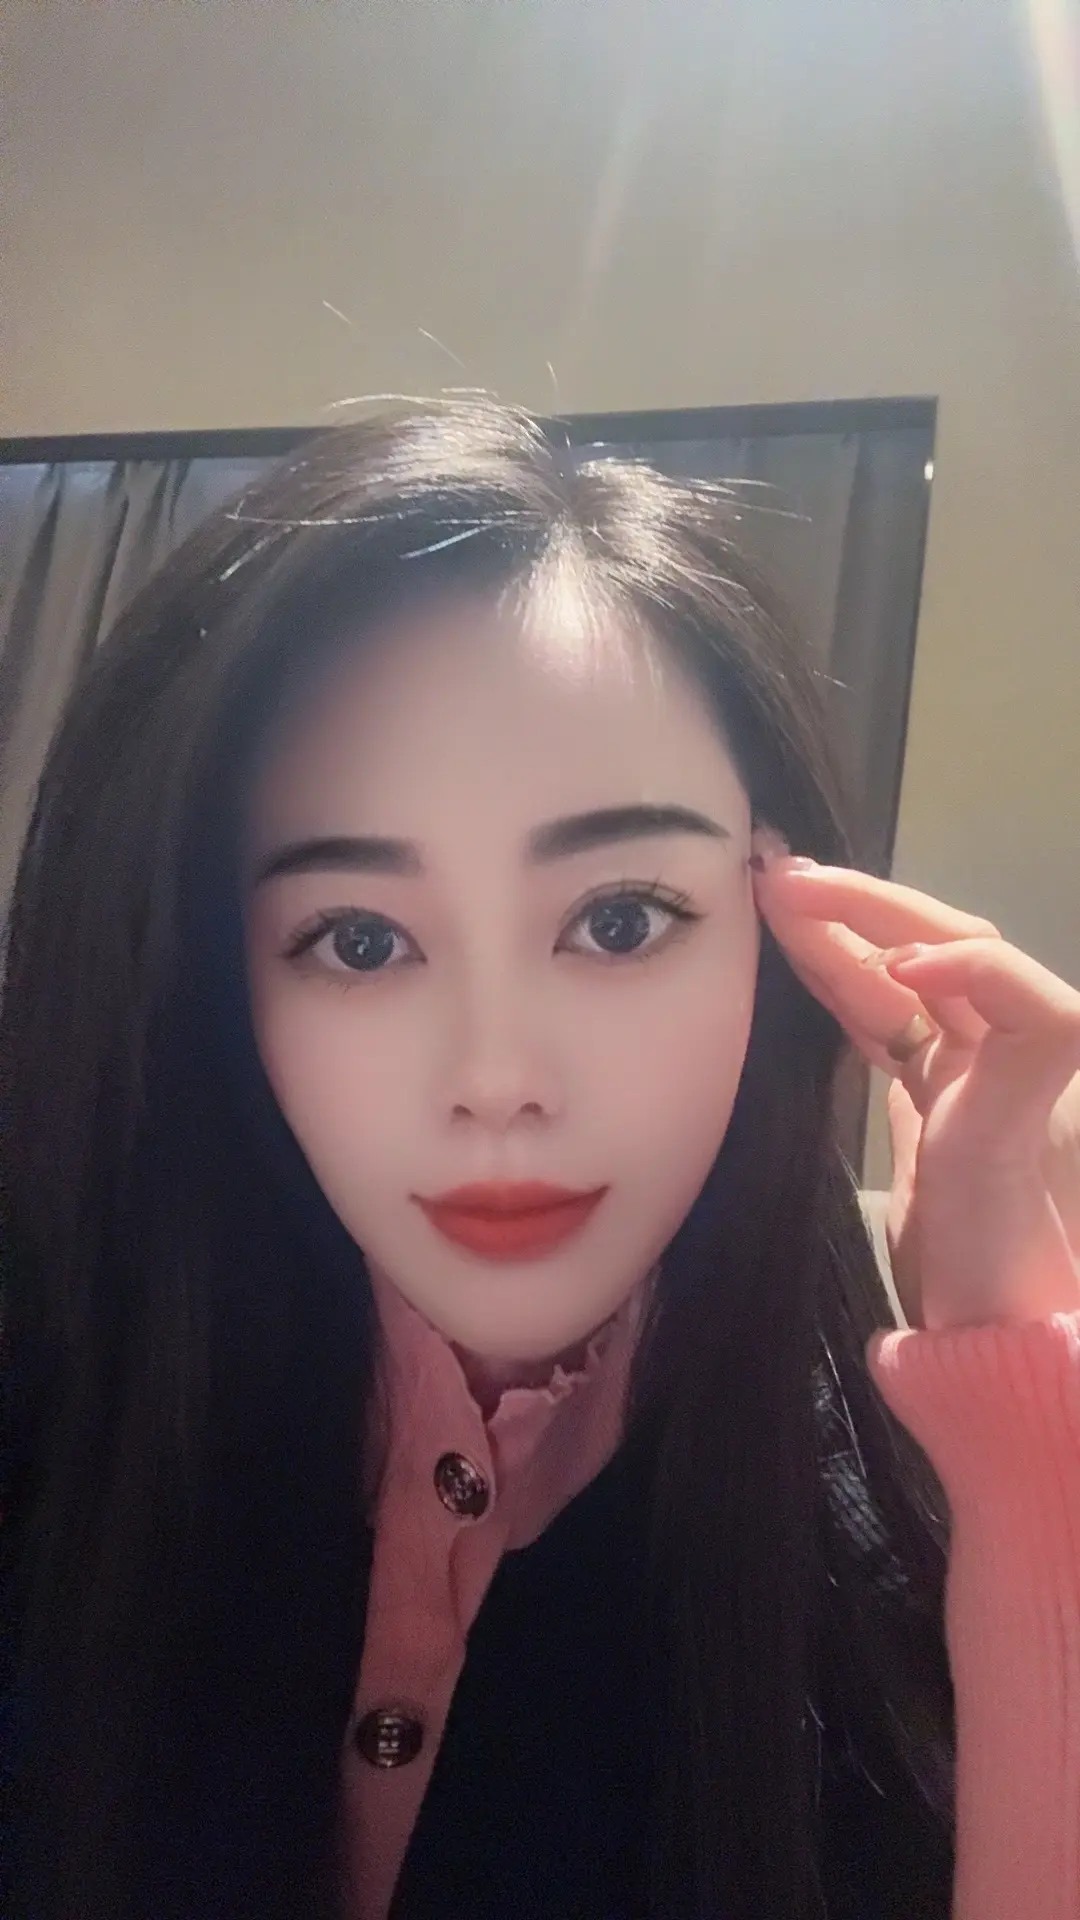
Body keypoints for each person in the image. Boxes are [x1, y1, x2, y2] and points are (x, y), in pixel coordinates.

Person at [1, 398, 1078, 1920]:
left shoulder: (889, 1514)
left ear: (786, 932)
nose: (498, 1082)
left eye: (619, 920)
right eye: (357, 940)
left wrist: (1025, 1396)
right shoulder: (63, 1387)